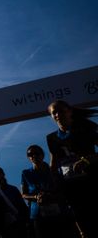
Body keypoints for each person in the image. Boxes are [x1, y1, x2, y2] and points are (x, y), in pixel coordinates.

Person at [46, 100, 98, 238]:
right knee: (81, 219)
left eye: (60, 111)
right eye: (53, 113)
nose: (57, 114)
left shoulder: (87, 127)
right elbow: (53, 164)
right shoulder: (51, 138)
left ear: (70, 111)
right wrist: (56, 185)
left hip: (91, 180)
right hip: (71, 186)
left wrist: (86, 160)